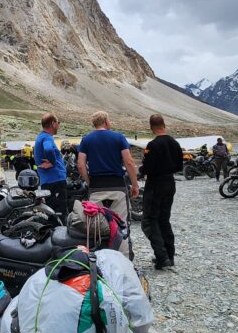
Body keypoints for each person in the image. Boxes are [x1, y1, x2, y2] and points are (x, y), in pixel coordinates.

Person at [77, 111, 139, 257]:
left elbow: (80, 165)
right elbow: (129, 162)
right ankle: (123, 258)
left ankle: (97, 257)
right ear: (106, 121)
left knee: (95, 225)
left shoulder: (86, 140)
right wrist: (135, 185)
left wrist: (89, 182)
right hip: (117, 186)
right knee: (121, 223)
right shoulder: (119, 137)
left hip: (96, 187)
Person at [140, 113, 183, 269]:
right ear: (164, 125)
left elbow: (147, 168)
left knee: (150, 220)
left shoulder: (153, 145)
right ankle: (170, 256)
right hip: (170, 183)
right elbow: (180, 166)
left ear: (151, 128)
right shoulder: (175, 143)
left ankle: (161, 256)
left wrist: (142, 169)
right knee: (164, 219)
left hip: (155, 184)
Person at [33, 112, 67, 218]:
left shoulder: (40, 137)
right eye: (58, 122)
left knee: (51, 211)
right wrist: (52, 162)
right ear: (53, 123)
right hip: (55, 180)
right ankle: (59, 232)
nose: (58, 125)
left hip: (47, 181)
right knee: (59, 213)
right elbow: (48, 149)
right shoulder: (47, 137)